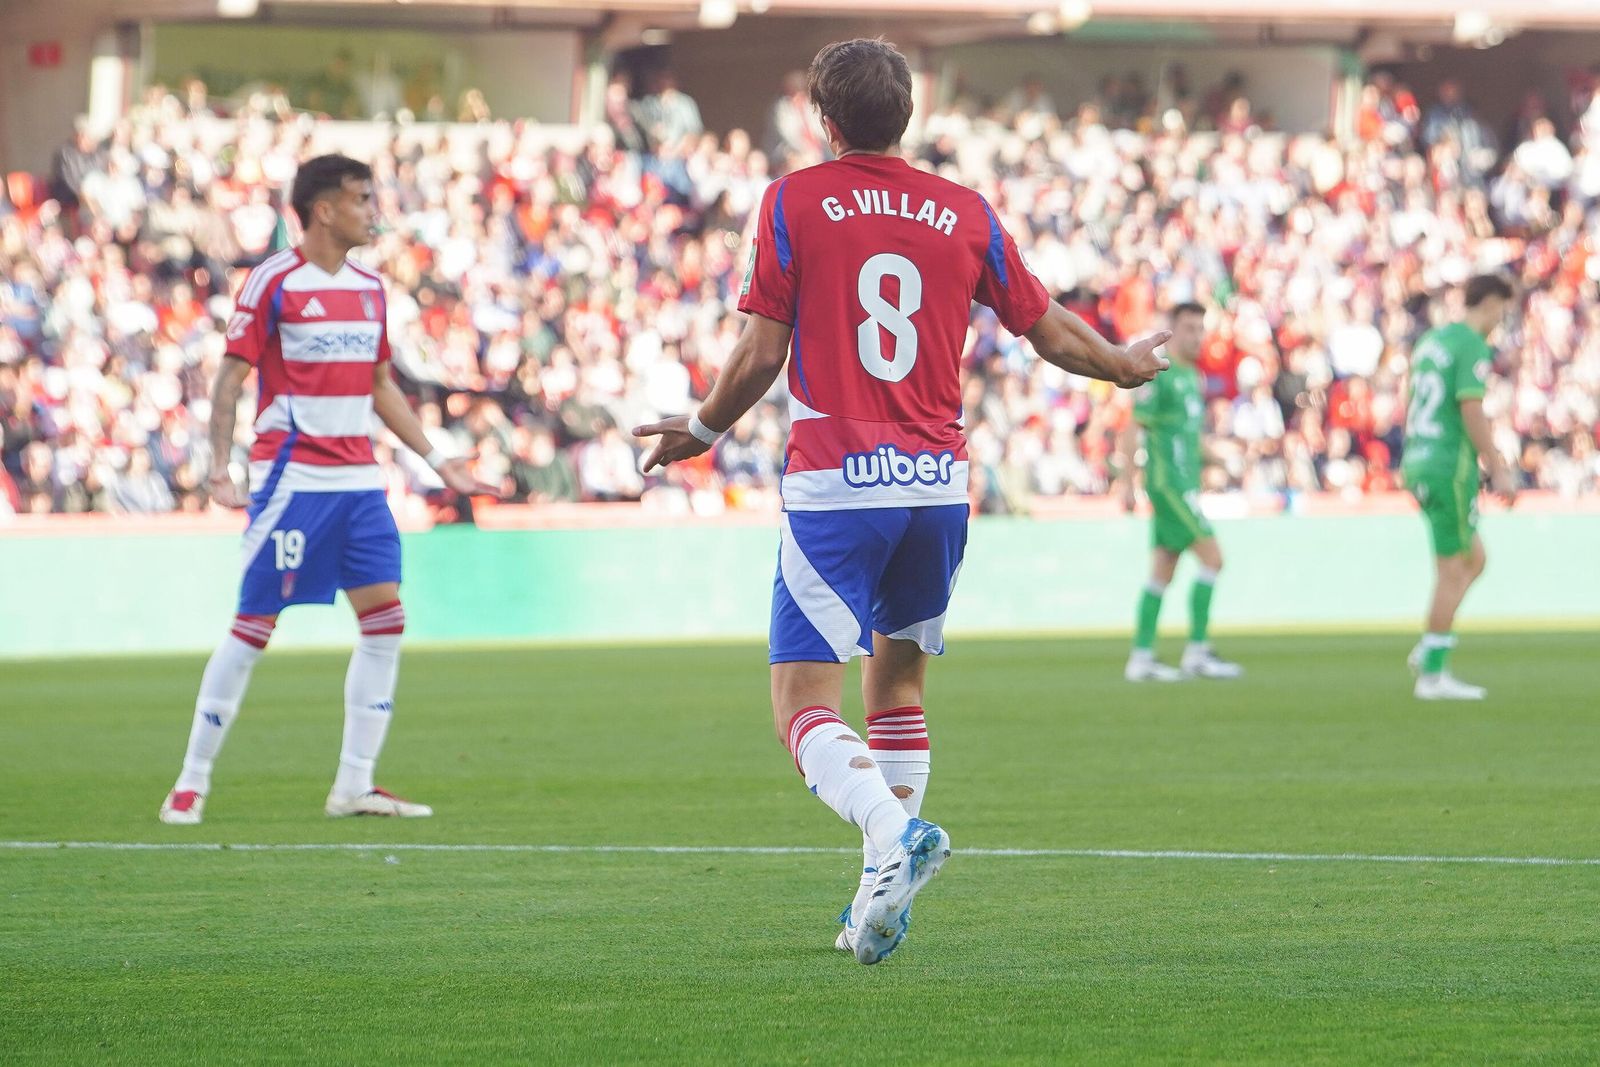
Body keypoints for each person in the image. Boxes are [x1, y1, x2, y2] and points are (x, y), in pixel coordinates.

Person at [634, 38, 1169, 965]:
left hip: (838, 485)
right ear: (909, 115)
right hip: (935, 488)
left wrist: (705, 430)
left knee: (801, 699)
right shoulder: (963, 210)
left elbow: (761, 354)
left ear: (820, 119)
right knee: (900, 685)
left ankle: (891, 835)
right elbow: (1045, 327)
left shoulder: (794, 198)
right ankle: (878, 903)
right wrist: (1121, 363)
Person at [158, 154, 496, 826]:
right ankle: (191, 781)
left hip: (359, 483)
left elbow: (379, 386)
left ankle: (354, 784)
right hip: (293, 480)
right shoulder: (273, 282)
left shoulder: (370, 288)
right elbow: (230, 378)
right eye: (362, 199)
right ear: (322, 209)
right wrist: (220, 465)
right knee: (254, 624)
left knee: (385, 620)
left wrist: (439, 461)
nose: (374, 210)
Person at [1400, 274, 1517, 701]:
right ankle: (1432, 675)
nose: (1503, 318)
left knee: (1475, 558)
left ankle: (1432, 641)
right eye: (1503, 308)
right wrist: (1498, 467)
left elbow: (1410, 398)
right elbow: (1471, 408)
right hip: (1449, 464)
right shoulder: (1471, 343)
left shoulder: (1433, 340)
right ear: (1489, 303)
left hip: (1421, 456)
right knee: (1453, 568)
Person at [1117, 303, 1243, 682]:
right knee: (1213, 558)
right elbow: (1132, 427)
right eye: (1187, 328)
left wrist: (1222, 462)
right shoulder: (1161, 373)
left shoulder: (1193, 377)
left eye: (1199, 328)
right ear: (1171, 330)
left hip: (1184, 482)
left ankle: (1141, 658)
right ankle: (1198, 652)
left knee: (1162, 570)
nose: (1195, 336)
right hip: (1167, 483)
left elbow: (1190, 438)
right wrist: (1126, 482)